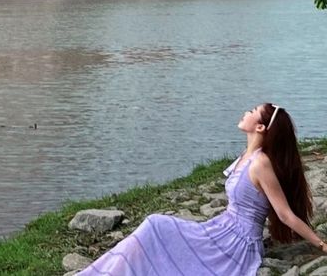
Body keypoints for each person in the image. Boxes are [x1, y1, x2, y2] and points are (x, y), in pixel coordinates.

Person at [75, 103, 326, 276]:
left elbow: (284, 214)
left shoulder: (260, 163)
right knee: (154, 230)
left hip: (235, 243)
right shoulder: (246, 156)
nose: (245, 112)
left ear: (260, 127)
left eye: (251, 111)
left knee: (154, 225)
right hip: (219, 228)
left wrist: (321, 244)